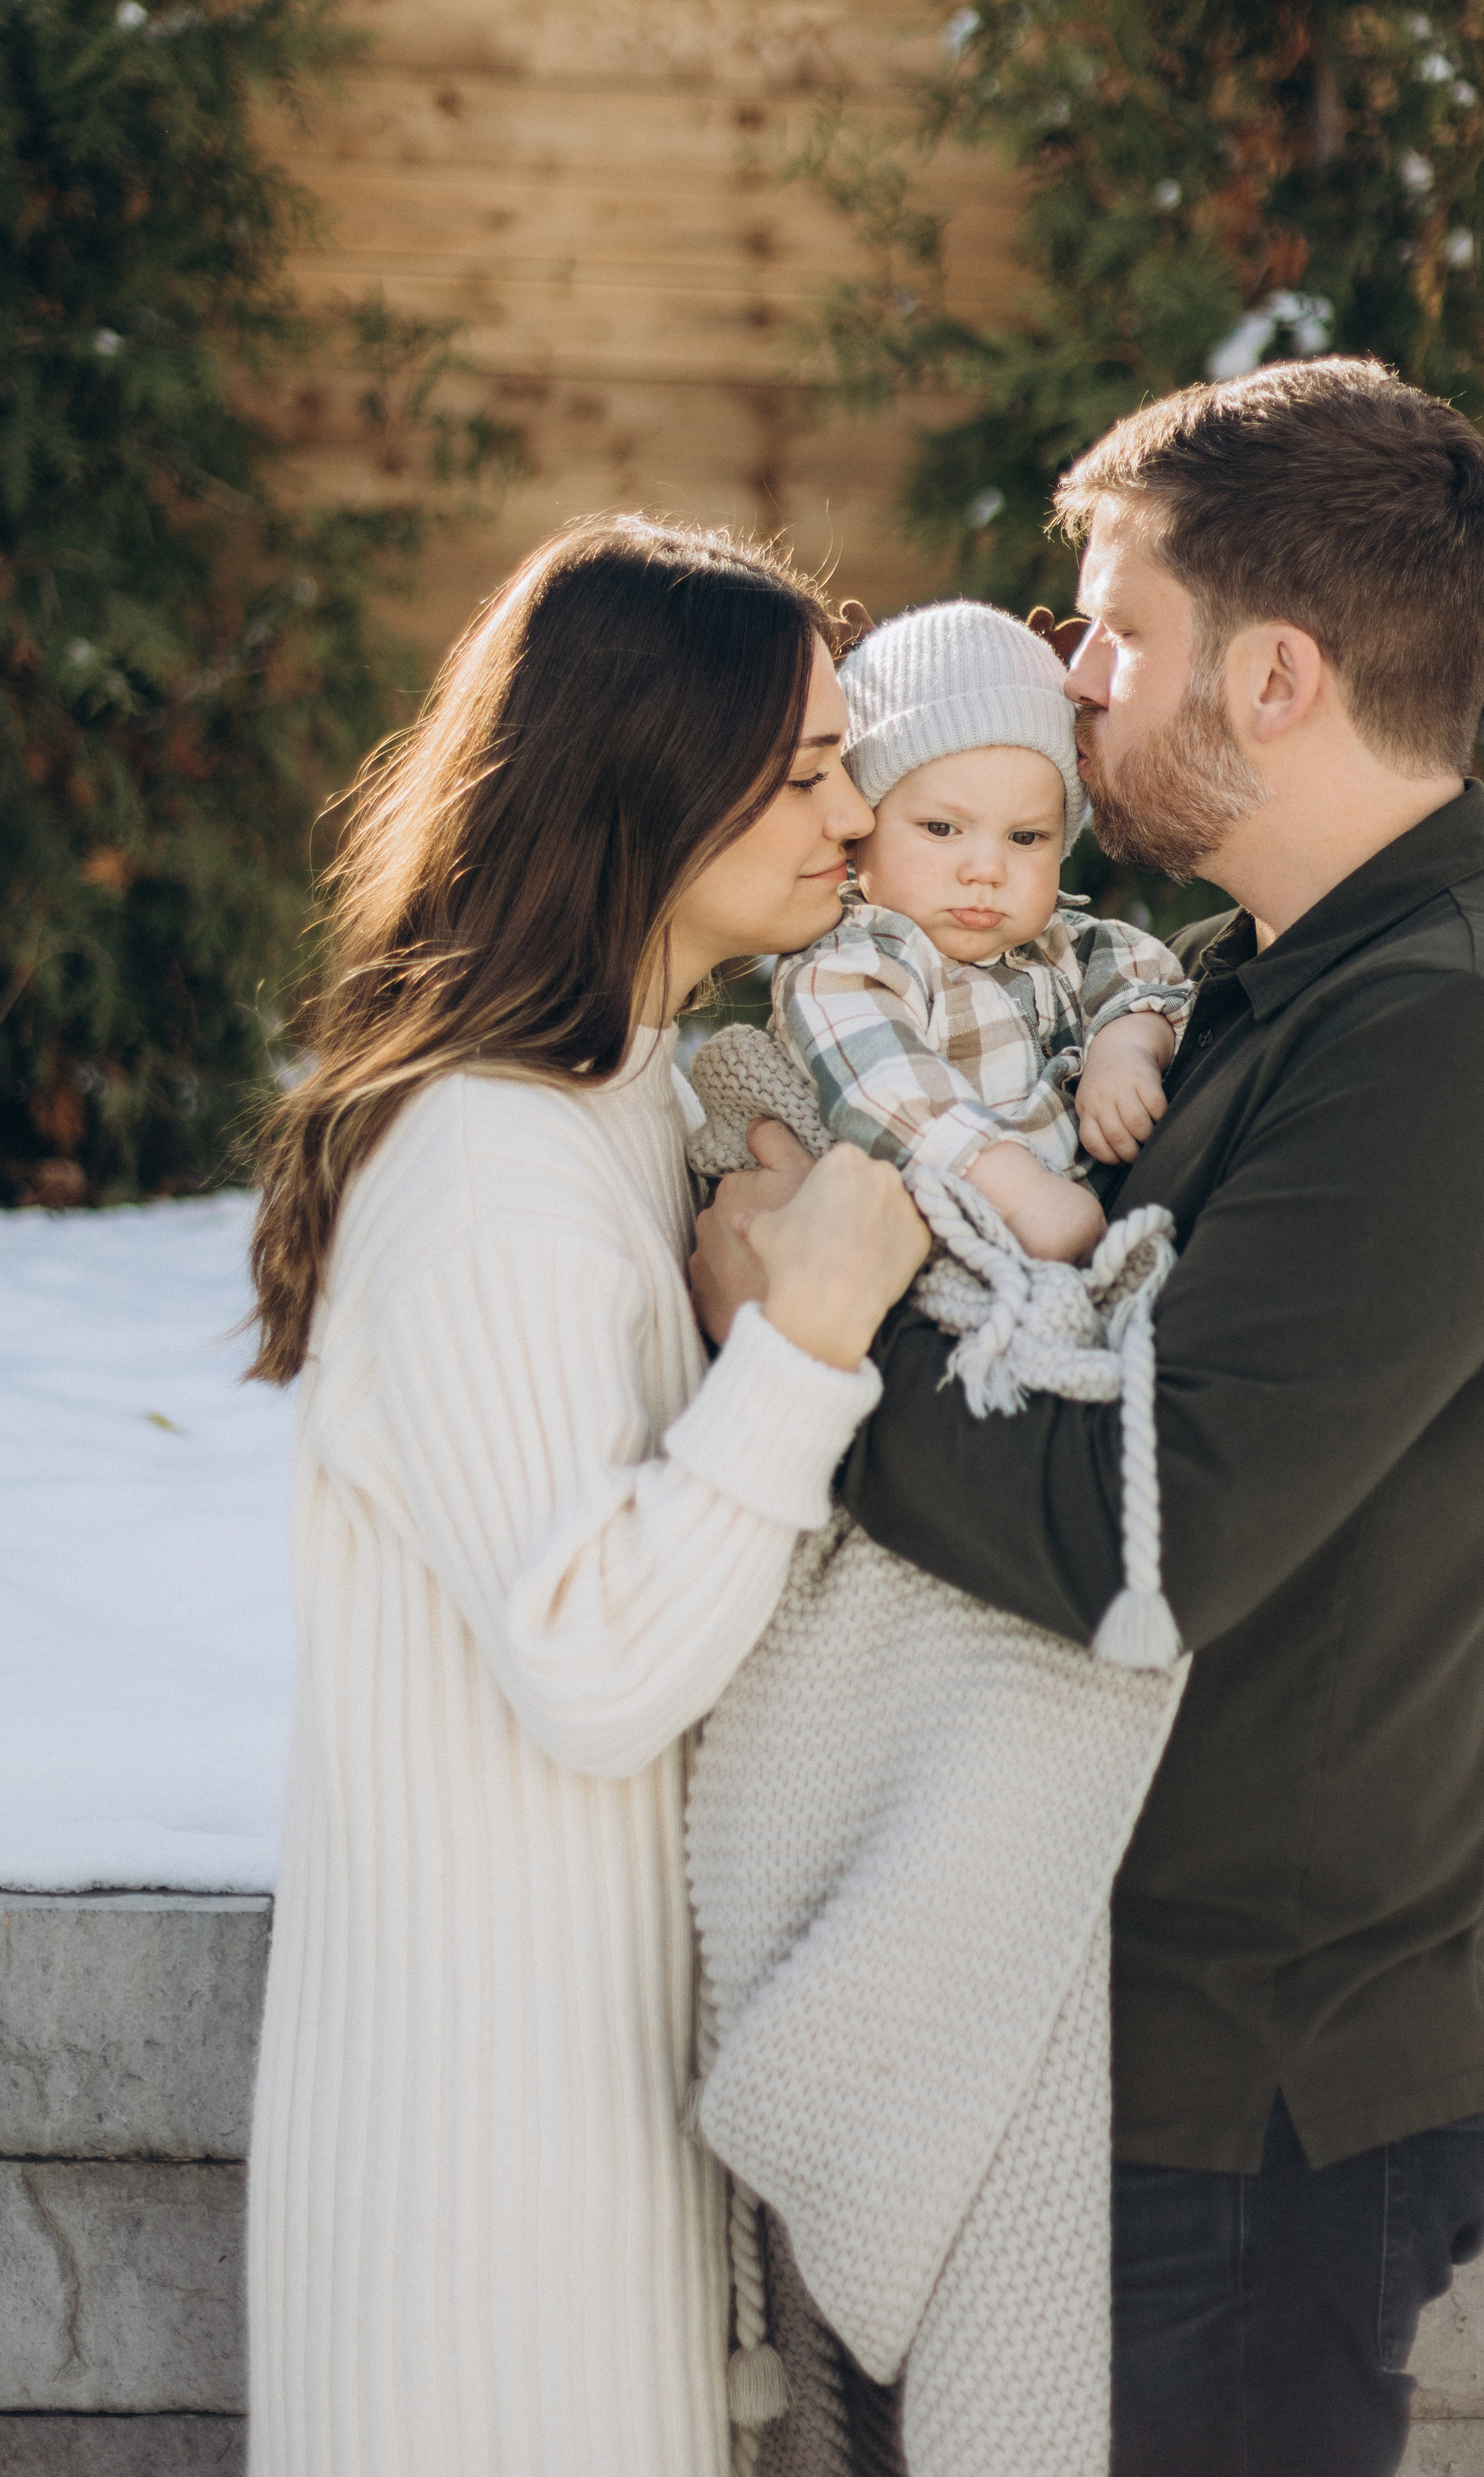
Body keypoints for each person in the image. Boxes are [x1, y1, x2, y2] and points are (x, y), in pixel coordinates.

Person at [690, 360, 1484, 2477]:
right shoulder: (1235, 983)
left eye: (1117, 629)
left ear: (1279, 676)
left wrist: (806, 1337)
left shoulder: (1453, 1047)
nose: (1073, 675)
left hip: (1241, 2117)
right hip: (1091, 2070)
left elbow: (1145, 1541)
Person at [242, 517, 927, 2477]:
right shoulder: (493, 1176)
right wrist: (803, 1345)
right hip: (478, 2194)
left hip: (583, 2121)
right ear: (646, 770)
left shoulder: (620, 1104)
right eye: (802, 769)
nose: (856, 805)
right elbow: (597, 1669)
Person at [772, 596, 1191, 1262]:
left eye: (1026, 837)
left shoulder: (1064, 944)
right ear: (862, 830)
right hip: (932, 1248)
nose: (987, 870)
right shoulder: (854, 962)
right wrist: (1020, 1192)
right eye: (942, 829)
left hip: (1066, 1247)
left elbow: (1146, 974)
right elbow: (885, 1085)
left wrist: (1125, 1050)